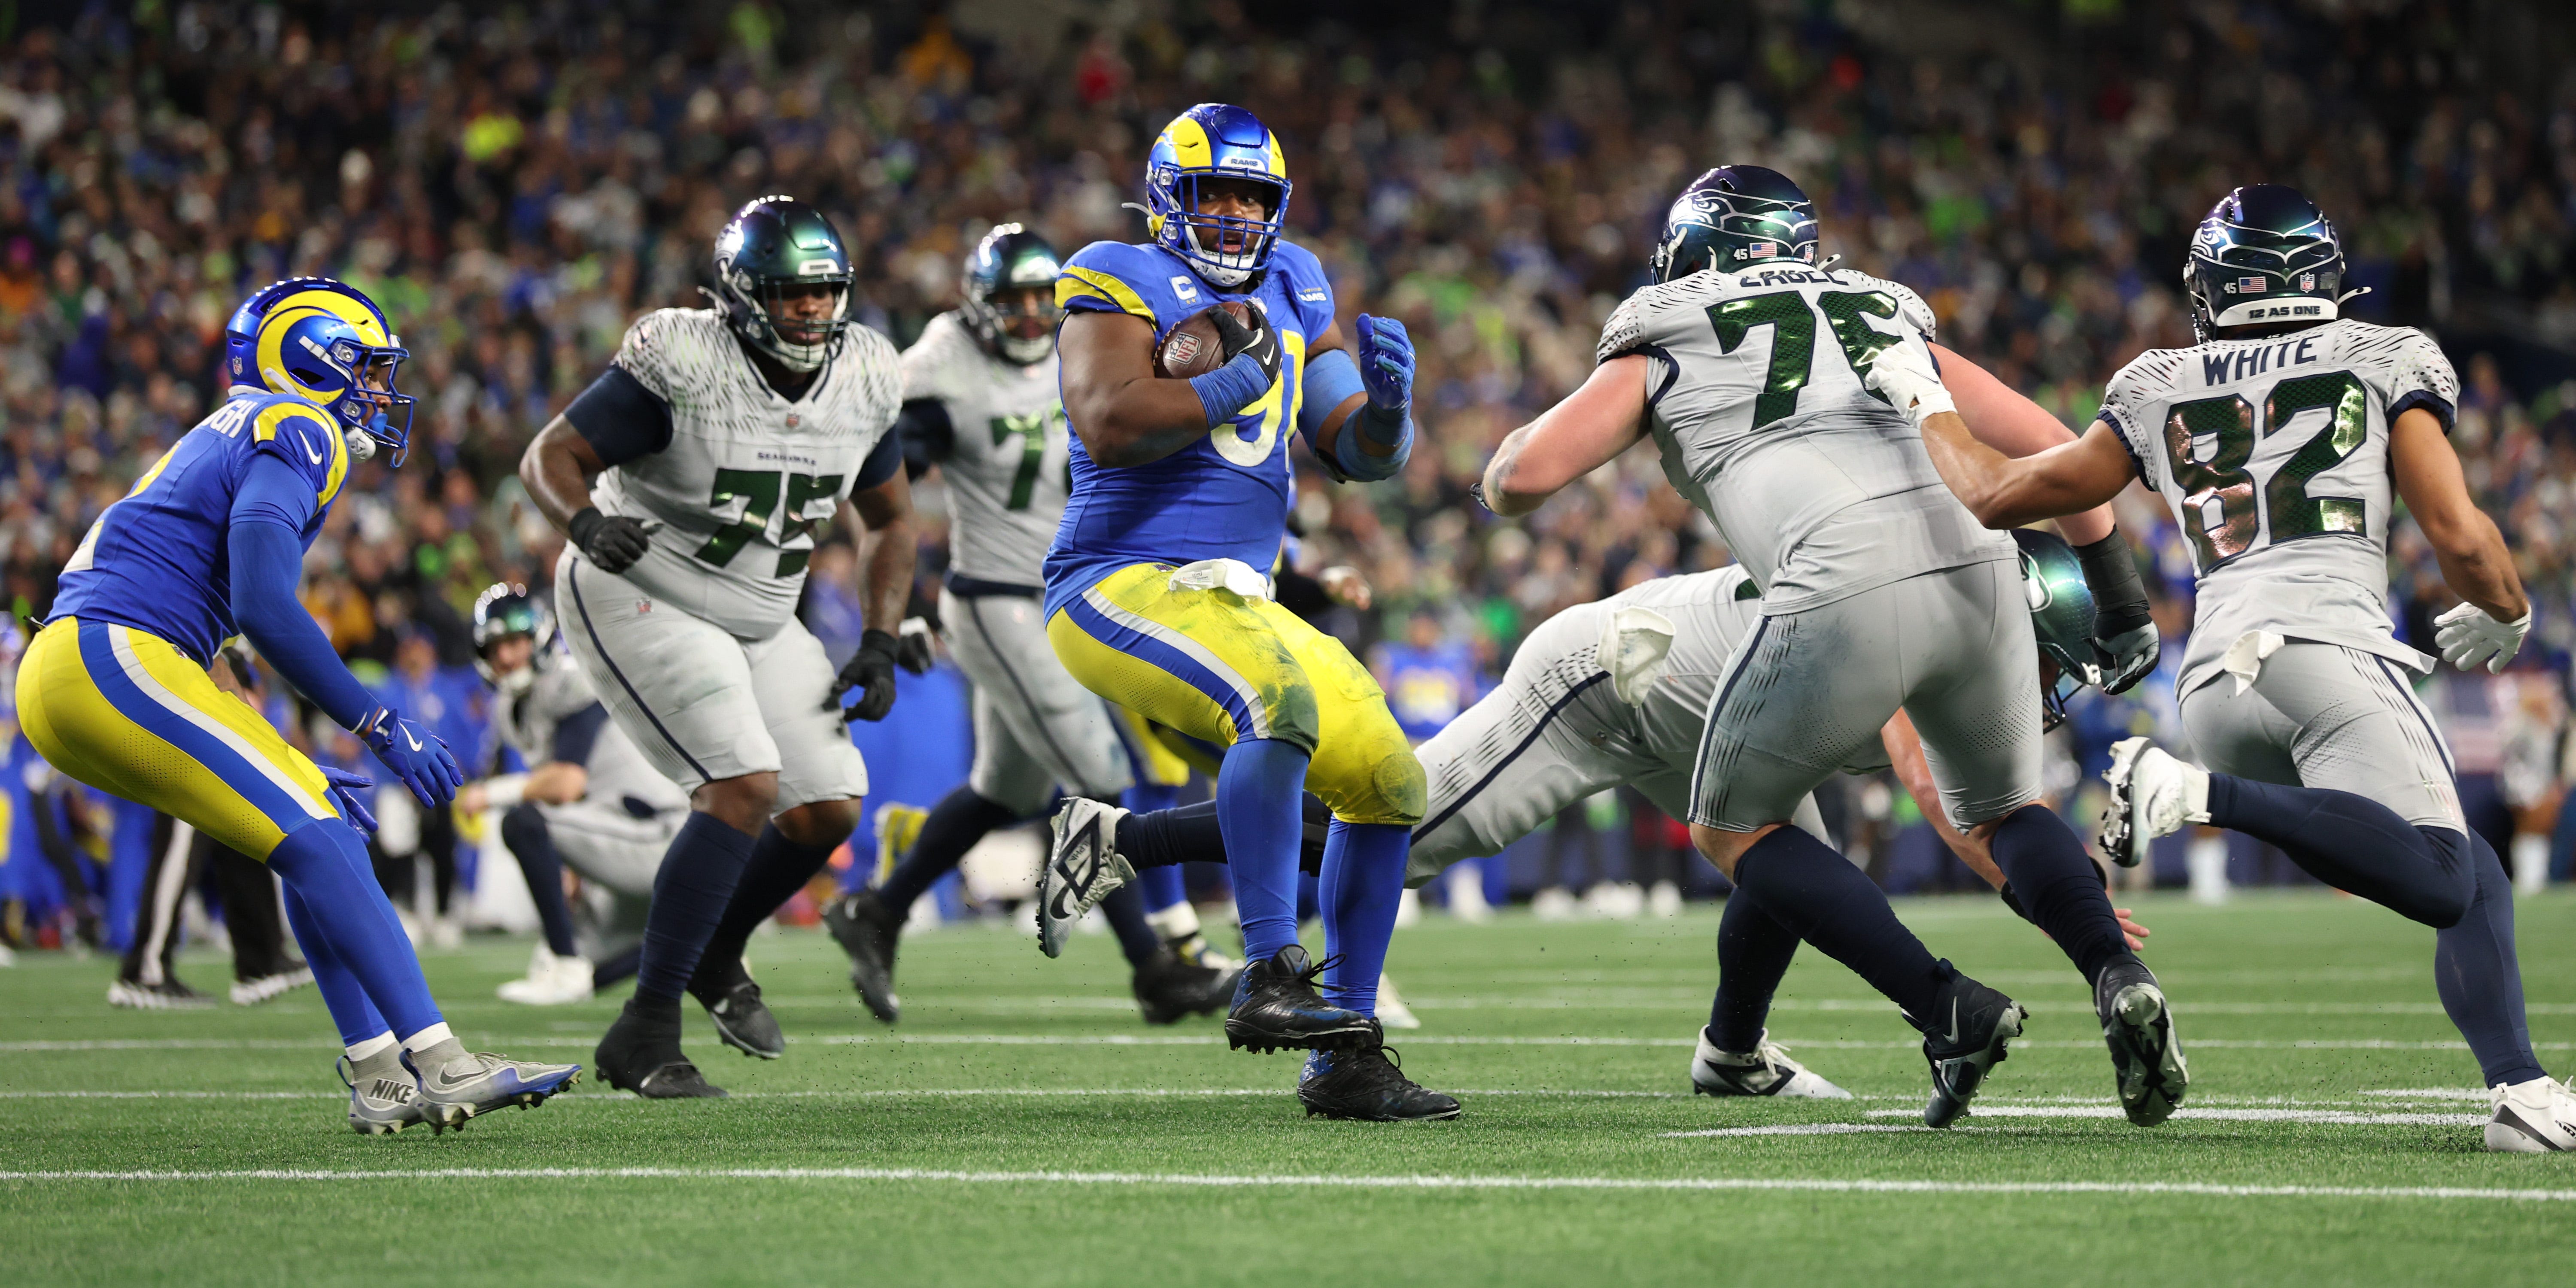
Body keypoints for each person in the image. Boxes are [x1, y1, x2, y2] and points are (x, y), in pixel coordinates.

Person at [1472, 166, 2185, 1129]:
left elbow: (1529, 478)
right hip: (1979, 565)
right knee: (2011, 805)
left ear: (1694, 251)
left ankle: (1946, 1008)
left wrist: (1501, 464)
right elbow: (2058, 448)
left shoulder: (1666, 325)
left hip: (1837, 574)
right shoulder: (1877, 308)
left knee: (1737, 827)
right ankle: (2118, 971)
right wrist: (2121, 598)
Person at [1887, 183, 2576, 1153]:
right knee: (2441, 876)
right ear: (2326, 275)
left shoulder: (2157, 378)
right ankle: (2194, 792)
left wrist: (1926, 404)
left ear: (2211, 286)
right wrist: (2507, 606)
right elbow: (2459, 534)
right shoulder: (2385, 353)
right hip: (2327, 651)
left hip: (2212, 680)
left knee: (2471, 867)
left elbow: (2003, 493)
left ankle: (2519, 1088)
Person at [1050, 533, 2149, 1099]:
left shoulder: (1939, 612)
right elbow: (1958, 802)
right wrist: (2049, 902)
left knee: (1784, 850)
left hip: (1711, 707)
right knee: (1400, 832)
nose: (2039, 691)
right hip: (1611, 683)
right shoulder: (1922, 633)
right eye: (2042, 663)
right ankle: (1119, 839)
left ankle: (1732, 1056)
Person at [15, 276, 578, 1134]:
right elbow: (263, 604)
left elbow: (220, 626)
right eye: (369, 366)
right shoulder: (298, 424)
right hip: (115, 652)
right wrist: (377, 723)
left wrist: (294, 750)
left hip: (93, 665)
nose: (382, 390)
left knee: (326, 829)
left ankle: (381, 1074)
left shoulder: (230, 431)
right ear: (316, 355)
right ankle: (441, 1059)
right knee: (319, 832)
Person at [1042, 103, 1453, 1121]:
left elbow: (1351, 450)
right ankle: (1269, 969)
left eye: (1250, 197)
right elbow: (1111, 422)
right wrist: (1238, 376)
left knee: (1391, 783)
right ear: (1165, 199)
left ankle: (1347, 1053)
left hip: (1238, 591)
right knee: (1273, 705)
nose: (1232, 214)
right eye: (1211, 194)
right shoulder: (1112, 270)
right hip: (1117, 578)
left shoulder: (1298, 278)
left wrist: (1392, 417)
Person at [520, 196, 916, 1098]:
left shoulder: (866, 375)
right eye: (789, 295)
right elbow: (550, 455)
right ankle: (644, 1027)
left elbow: (892, 521)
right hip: (639, 584)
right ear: (739, 298)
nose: (811, 312)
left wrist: (884, 637)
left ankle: (714, 949)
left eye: (823, 293)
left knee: (827, 808)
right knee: (742, 785)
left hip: (764, 609)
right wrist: (583, 524)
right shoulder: (684, 357)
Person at [821, 224, 1236, 1028]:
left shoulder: (1083, 347)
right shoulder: (944, 361)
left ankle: (876, 909)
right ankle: (1154, 967)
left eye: (1031, 303)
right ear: (974, 305)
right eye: (1005, 302)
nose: (1020, 319)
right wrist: (897, 600)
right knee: (1096, 770)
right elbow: (876, 464)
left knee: (1002, 790)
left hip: (1058, 593)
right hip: (997, 597)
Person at [459, 583, 698, 1010]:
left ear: (540, 638)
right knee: (592, 973)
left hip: (658, 833)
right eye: (496, 647)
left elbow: (567, 784)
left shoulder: (569, 682)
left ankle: (564, 961)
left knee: (522, 820)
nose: (507, 657)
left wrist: (491, 792)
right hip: (617, 836)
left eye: (514, 642)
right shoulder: (513, 705)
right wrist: (572, 864)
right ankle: (701, 946)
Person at [112, 647, 314, 1009]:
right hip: (187, 712)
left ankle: (261, 961)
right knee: (181, 839)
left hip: (208, 707)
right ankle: (144, 969)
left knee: (241, 834)